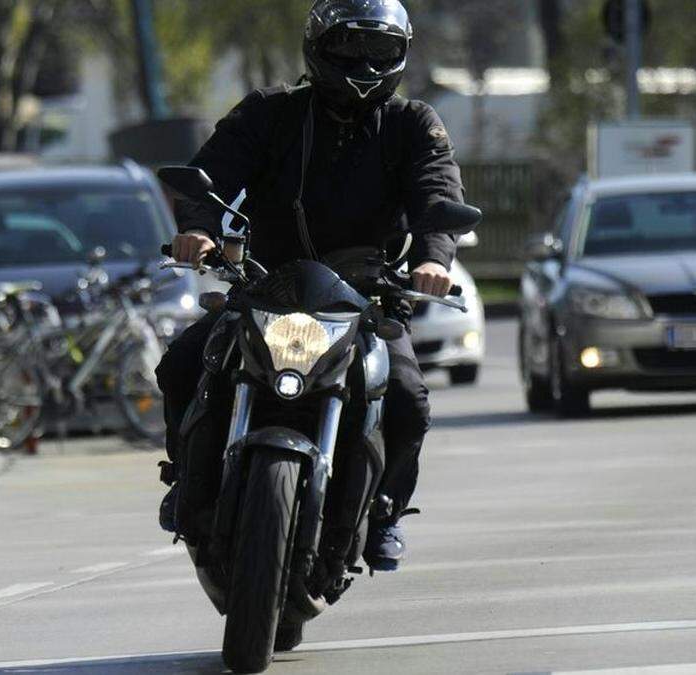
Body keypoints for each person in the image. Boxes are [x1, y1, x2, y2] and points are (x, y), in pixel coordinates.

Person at [156, 0, 466, 571]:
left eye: (381, 49)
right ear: (319, 46)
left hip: (365, 296)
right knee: (182, 364)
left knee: (405, 397)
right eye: (351, 45)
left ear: (402, 53)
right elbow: (208, 177)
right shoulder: (269, 113)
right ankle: (188, 480)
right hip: (268, 285)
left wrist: (435, 258)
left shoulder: (413, 124)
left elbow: (438, 196)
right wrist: (197, 230)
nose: (365, 62)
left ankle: (386, 511)